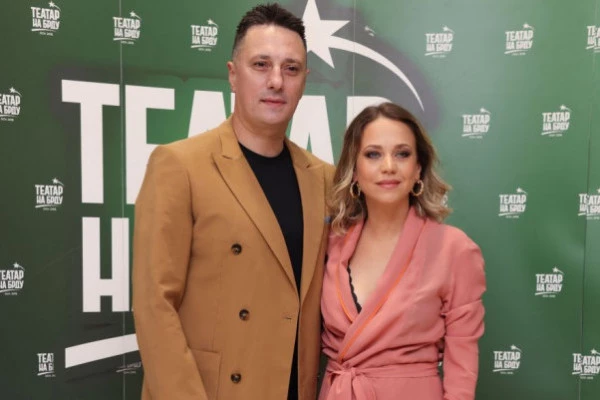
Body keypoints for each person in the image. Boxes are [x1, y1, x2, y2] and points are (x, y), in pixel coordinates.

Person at [132, 3, 334, 400]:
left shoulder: (324, 178)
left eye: (291, 68)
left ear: (304, 81)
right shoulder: (179, 165)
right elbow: (155, 306)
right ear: (232, 74)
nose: (276, 81)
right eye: (261, 64)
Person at [319, 103, 486, 399]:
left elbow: (462, 367)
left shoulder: (453, 249)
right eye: (373, 154)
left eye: (402, 154)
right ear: (354, 170)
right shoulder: (330, 242)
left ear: (418, 167)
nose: (389, 166)